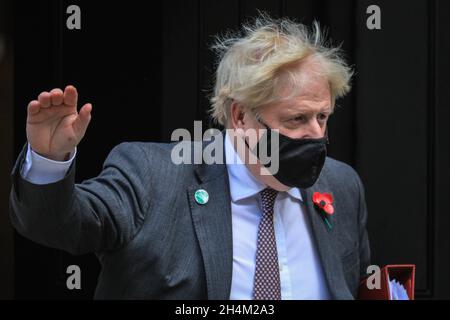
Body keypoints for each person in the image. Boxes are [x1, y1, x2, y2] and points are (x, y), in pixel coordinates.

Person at [9, 15, 370, 299]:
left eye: (322, 117)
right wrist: (48, 158)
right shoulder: (152, 176)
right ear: (240, 116)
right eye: (296, 119)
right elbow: (61, 225)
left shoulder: (341, 185)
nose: (315, 135)